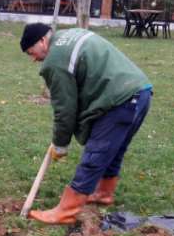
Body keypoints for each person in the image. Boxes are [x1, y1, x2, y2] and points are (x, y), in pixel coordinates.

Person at [19, 23, 152, 225]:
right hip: (140, 91)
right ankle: (103, 193)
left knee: (96, 152)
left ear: (42, 41)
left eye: (32, 52)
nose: (33, 59)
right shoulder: (70, 34)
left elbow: (65, 109)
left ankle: (66, 211)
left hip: (120, 99)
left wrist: (60, 145)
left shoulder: (54, 61)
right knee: (114, 149)